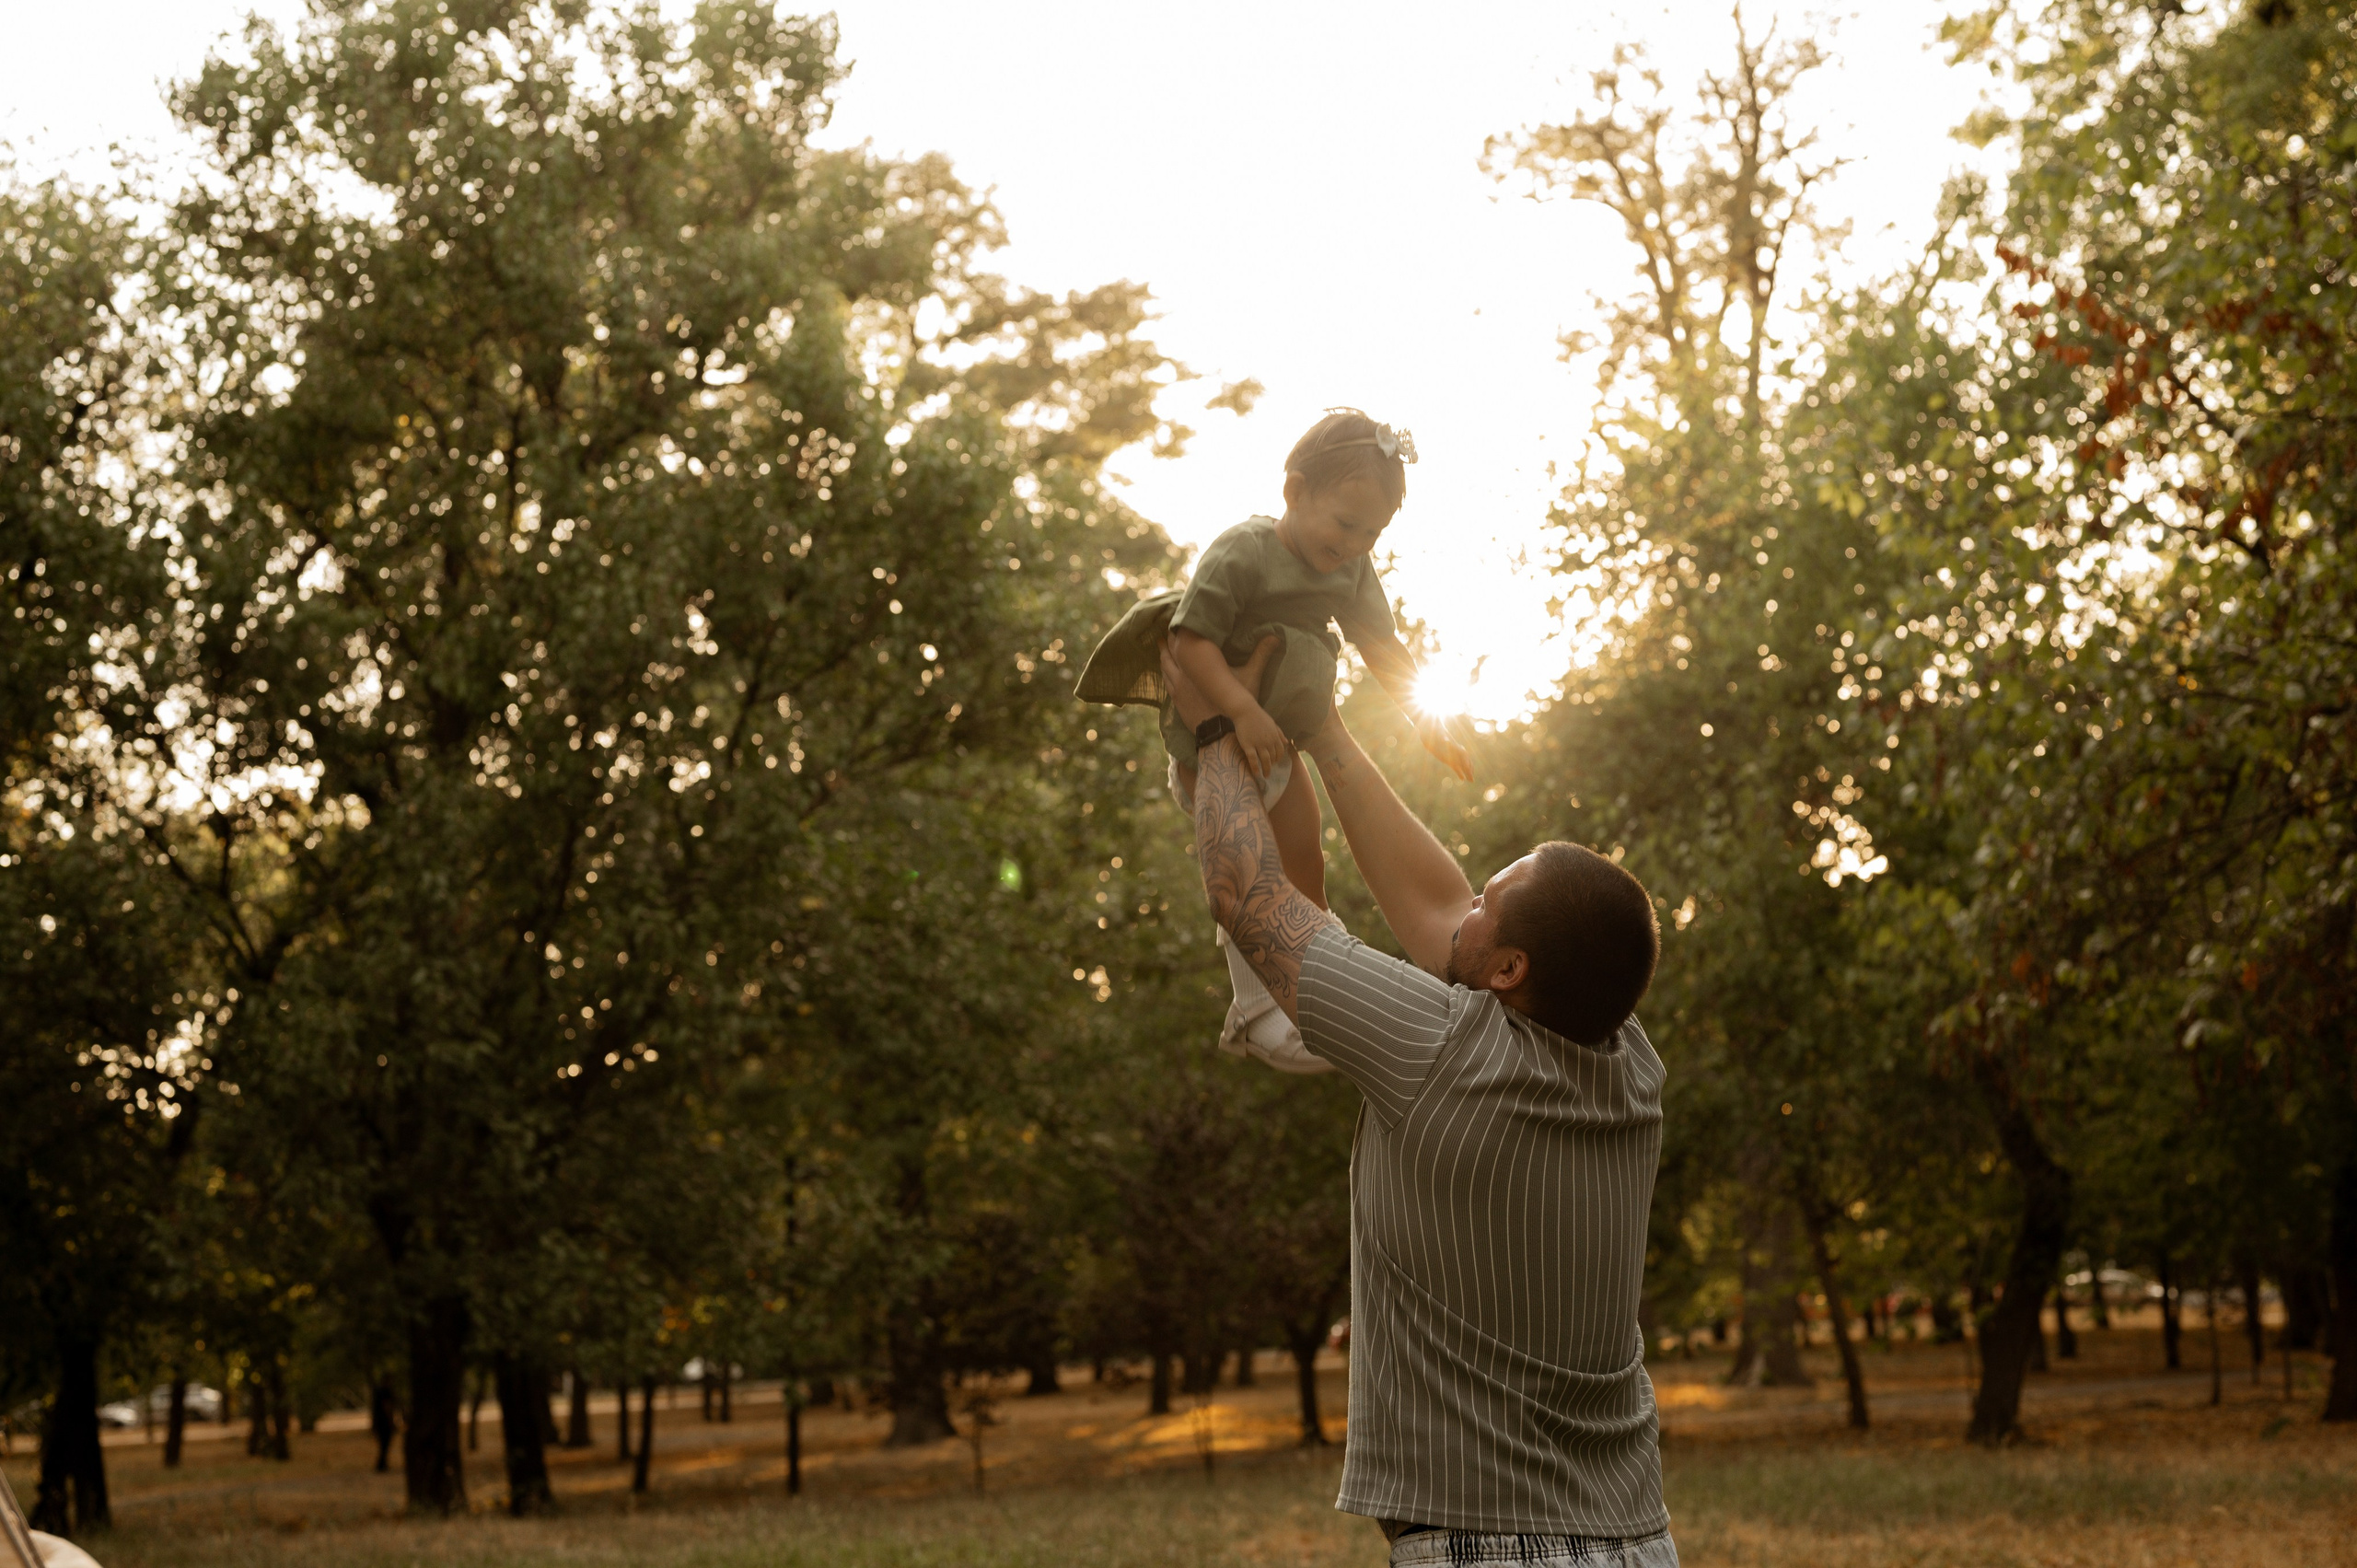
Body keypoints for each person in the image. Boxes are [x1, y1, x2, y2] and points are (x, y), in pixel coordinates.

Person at [1159, 638, 1677, 1567]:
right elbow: (1439, 907)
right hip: (1637, 1536)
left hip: (1496, 1548)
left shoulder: (1441, 1047)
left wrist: (1212, 724)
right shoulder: (1629, 1062)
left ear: (1511, 968)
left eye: (1490, 897)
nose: (1466, 900)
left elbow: (1245, 891)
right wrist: (1321, 727)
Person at [1076, 408, 1470, 1066]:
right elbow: (1189, 639)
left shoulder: (1350, 567)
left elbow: (1380, 643)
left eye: (1372, 533)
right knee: (1244, 869)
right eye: (1346, 523)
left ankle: (1314, 986)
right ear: (1294, 491)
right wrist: (1240, 712)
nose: (1354, 543)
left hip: (1281, 743)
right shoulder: (1246, 550)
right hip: (1219, 740)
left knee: (1305, 858)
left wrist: (1428, 717)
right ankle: (1256, 1009)